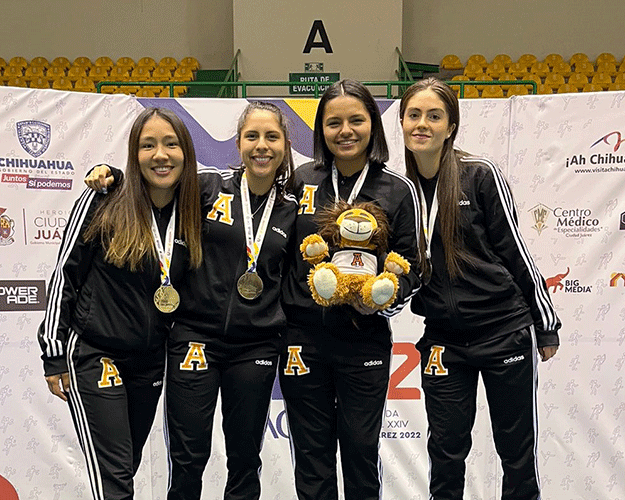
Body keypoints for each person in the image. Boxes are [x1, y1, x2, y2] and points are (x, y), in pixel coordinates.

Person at [86, 101, 297, 500]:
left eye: (271, 137)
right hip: (193, 338)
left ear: (286, 145)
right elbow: (155, 184)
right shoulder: (206, 188)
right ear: (238, 143)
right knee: (188, 457)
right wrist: (111, 175)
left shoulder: (290, 210)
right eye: (252, 136)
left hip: (257, 345)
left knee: (245, 457)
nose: (261, 146)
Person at [399, 77, 561, 500]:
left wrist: (545, 322)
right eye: (414, 114)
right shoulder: (401, 192)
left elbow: (515, 252)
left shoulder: (479, 175)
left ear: (450, 126)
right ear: (400, 122)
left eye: (434, 116)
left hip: (503, 329)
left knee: (516, 453)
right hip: (443, 341)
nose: (422, 123)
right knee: (446, 452)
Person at [38, 107, 202, 500]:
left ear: (187, 153)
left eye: (170, 144)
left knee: (125, 466)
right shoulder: (104, 200)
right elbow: (66, 274)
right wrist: (53, 354)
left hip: (150, 361)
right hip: (95, 351)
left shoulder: (196, 209)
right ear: (134, 153)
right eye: (148, 145)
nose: (160, 155)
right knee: (113, 478)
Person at [279, 79, 421, 500]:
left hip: (364, 341)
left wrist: (382, 298)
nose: (345, 131)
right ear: (320, 130)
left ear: (372, 126)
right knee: (311, 455)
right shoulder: (300, 180)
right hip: (302, 338)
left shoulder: (397, 189)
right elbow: (277, 247)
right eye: (333, 122)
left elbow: (411, 266)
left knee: (360, 451)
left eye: (356, 120)